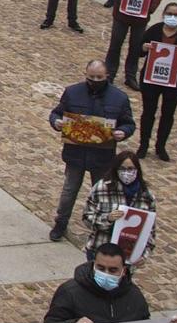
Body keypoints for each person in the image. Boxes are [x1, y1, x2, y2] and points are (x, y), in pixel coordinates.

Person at [47, 60, 136, 241]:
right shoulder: (72, 92)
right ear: (86, 75)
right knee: (69, 190)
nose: (95, 80)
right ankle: (61, 222)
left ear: (106, 77)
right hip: (76, 153)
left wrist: (123, 132)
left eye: (99, 77)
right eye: (91, 77)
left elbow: (128, 123)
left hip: (102, 156)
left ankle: (102, 226)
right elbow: (57, 113)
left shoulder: (119, 98)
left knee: (102, 193)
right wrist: (56, 122)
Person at [40, 244, 177, 323]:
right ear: (93, 265)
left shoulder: (134, 296)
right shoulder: (70, 291)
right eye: (101, 268)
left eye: (113, 270)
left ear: (123, 271)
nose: (106, 273)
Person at [134, 2, 177, 162]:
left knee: (167, 114)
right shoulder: (154, 30)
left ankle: (160, 146)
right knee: (148, 112)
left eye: (176, 15)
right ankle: (143, 145)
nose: (173, 17)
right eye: (170, 13)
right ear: (163, 14)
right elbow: (138, 51)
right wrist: (143, 47)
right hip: (151, 80)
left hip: (174, 82)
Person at [79, 151, 158, 261]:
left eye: (130, 169)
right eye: (122, 169)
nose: (126, 172)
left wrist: (144, 255)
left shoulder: (146, 196)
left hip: (127, 256)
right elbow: (86, 218)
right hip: (99, 250)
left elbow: (150, 231)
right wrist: (108, 218)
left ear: (137, 170)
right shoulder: (102, 188)